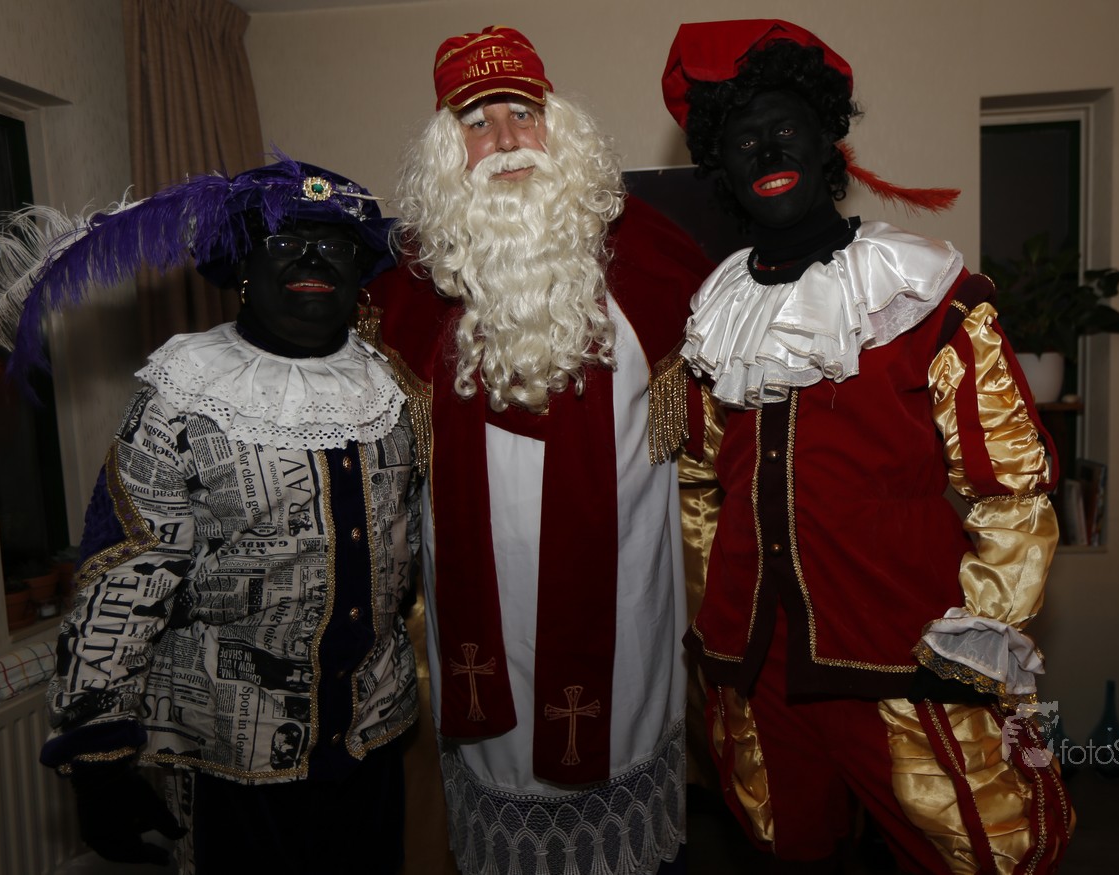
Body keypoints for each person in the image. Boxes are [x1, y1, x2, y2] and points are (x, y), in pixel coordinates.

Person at [660, 20, 1074, 875]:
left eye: (785, 127)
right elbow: (699, 485)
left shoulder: (923, 292)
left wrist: (979, 632)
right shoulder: (712, 316)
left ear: (826, 141)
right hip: (756, 665)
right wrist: (710, 620)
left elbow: (1012, 486)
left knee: (976, 851)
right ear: (721, 167)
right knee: (785, 847)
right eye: (742, 139)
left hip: (905, 652)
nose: (766, 149)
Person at [0, 158, 419, 875]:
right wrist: (97, 752)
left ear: (360, 272)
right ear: (243, 266)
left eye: (335, 244)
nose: (313, 259)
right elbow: (123, 573)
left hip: (373, 739)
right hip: (231, 756)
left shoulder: (394, 384)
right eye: (284, 240)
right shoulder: (183, 392)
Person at [368, 25, 713, 875]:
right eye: (476, 121)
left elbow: (711, 455)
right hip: (477, 614)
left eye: (521, 112)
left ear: (559, 126)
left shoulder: (657, 261)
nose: (505, 140)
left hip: (625, 606)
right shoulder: (405, 294)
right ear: (446, 150)